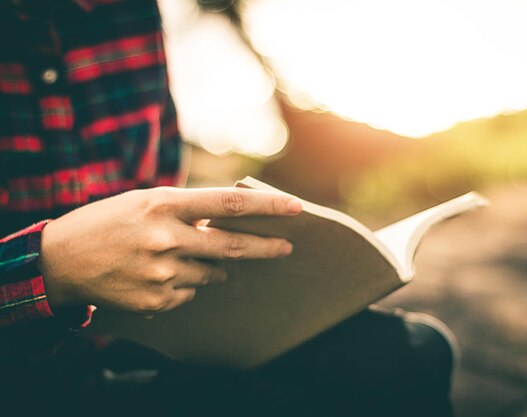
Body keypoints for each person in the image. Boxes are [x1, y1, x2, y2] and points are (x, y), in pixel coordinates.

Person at [0, 0, 455, 415]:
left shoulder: (131, 14)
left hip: (127, 341)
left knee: (412, 351)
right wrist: (53, 266)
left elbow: (154, 191)